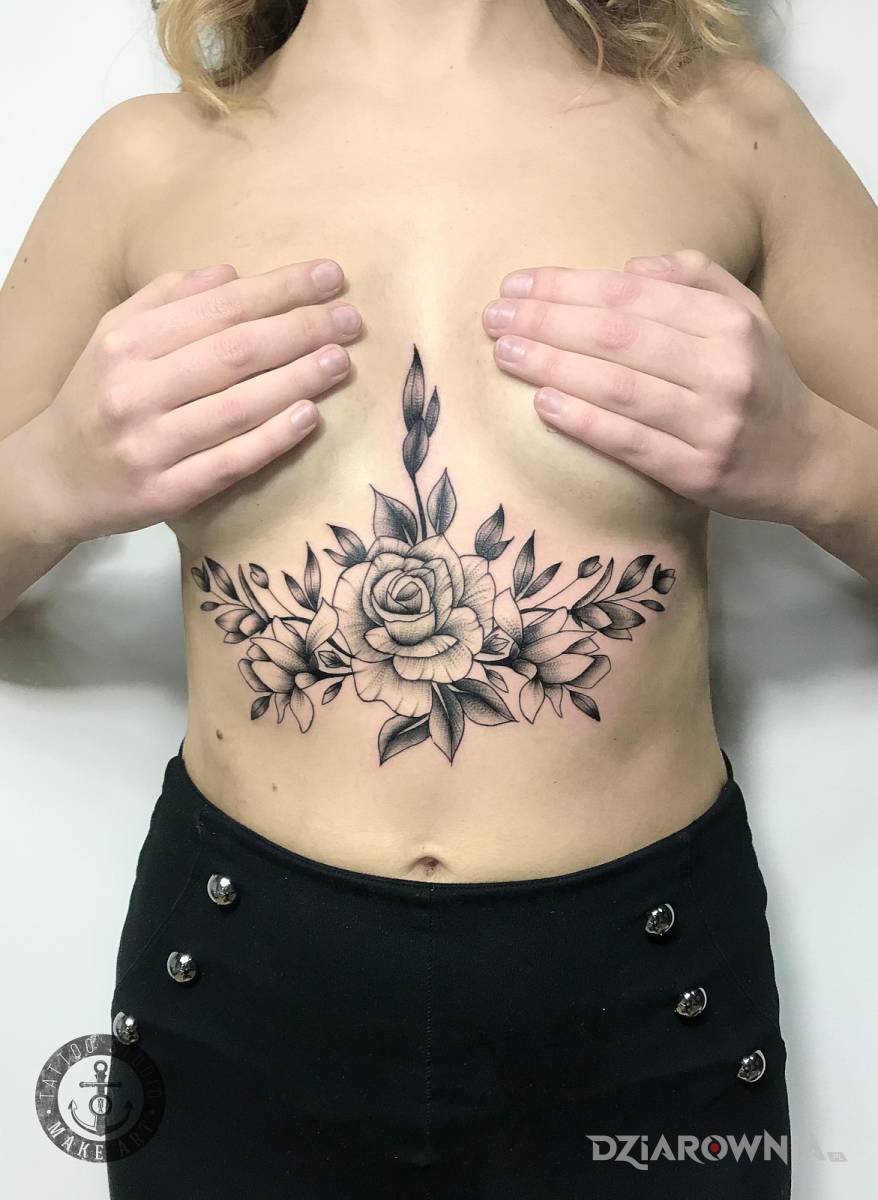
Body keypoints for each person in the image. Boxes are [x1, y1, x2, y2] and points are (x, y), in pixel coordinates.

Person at [1, 1, 876, 1196]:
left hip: (645, 985)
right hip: (238, 972)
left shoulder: (729, 136)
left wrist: (815, 460)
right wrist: (49, 477)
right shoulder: (147, 162)